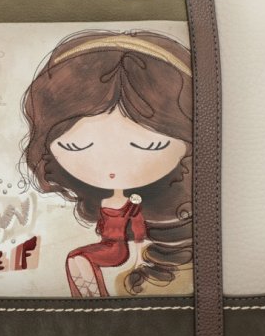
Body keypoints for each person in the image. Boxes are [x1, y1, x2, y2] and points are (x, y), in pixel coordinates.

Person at [20, 30, 195, 297]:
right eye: (76, 146)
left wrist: (137, 248)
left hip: (125, 252)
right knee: (78, 260)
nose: (111, 166)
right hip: (116, 249)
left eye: (149, 146)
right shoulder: (111, 200)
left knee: (81, 260)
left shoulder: (172, 215)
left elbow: (137, 229)